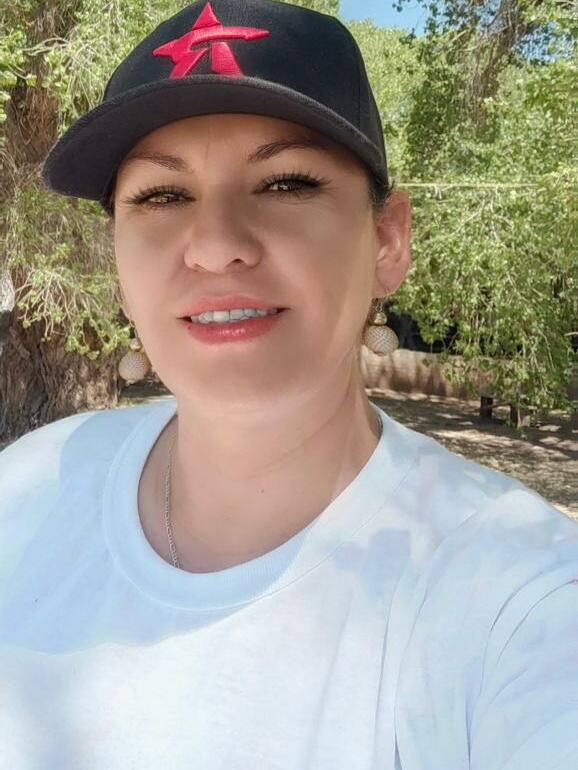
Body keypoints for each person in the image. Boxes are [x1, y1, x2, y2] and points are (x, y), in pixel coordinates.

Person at [1, 1, 577, 768]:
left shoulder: (521, 600)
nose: (215, 246)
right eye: (162, 196)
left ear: (388, 240)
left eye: (285, 183)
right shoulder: (31, 485)